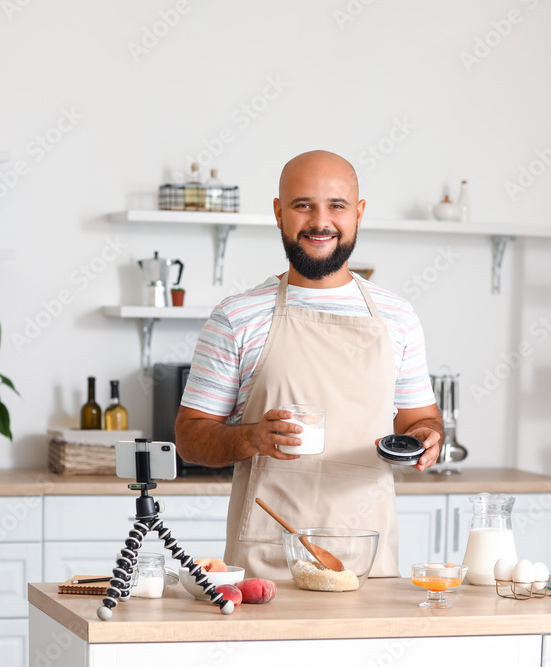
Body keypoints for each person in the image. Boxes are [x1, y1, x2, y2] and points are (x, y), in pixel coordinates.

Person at [174, 150, 443, 579]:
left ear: (359, 213)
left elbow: (421, 419)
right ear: (279, 213)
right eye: (303, 205)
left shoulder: (398, 317)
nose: (321, 222)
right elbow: (190, 439)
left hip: (368, 559)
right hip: (268, 563)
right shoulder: (236, 317)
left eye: (336, 205)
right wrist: (251, 439)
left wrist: (428, 436)